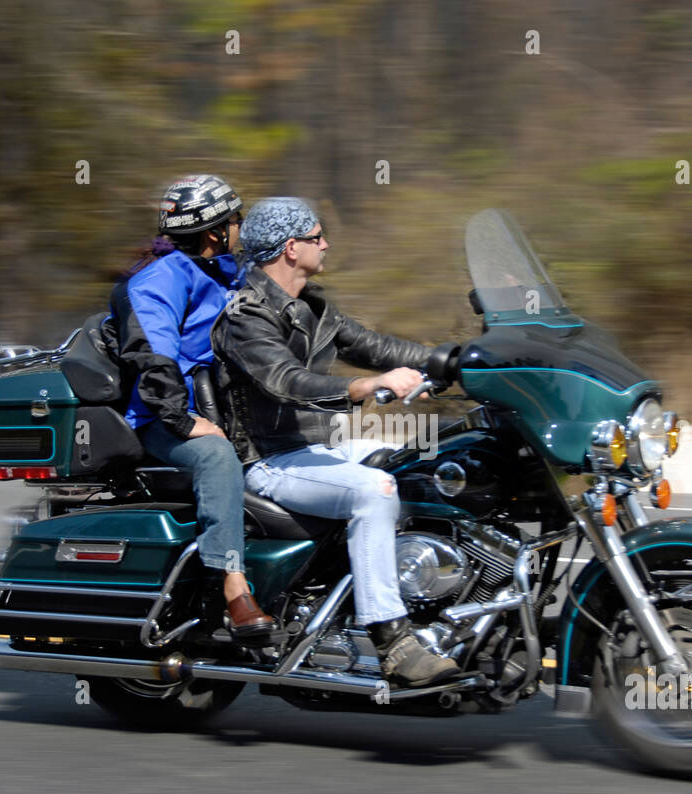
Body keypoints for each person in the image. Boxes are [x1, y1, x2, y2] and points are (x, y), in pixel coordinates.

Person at [212, 197, 459, 686]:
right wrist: (359, 388)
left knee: (433, 460)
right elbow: (284, 379)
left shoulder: (314, 307)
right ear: (289, 248)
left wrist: (457, 361)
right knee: (375, 490)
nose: (325, 244)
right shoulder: (246, 314)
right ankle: (391, 639)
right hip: (271, 457)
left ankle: (436, 598)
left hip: (318, 448)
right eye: (316, 236)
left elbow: (376, 347)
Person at [109, 174, 274, 640]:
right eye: (236, 220)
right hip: (162, 417)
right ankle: (233, 586)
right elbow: (153, 357)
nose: (241, 227)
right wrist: (184, 421)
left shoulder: (222, 270)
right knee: (216, 457)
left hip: (226, 407)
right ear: (213, 231)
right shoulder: (159, 280)